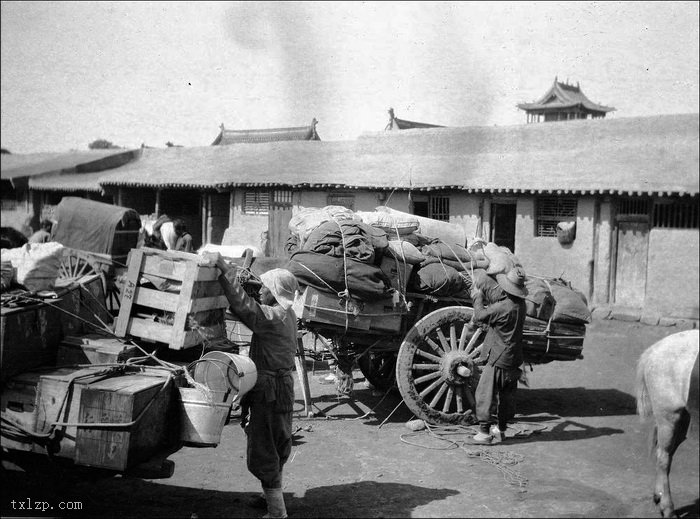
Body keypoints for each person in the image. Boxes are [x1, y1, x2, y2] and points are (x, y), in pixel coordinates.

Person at [205, 251, 299, 519]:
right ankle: (271, 495)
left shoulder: (273, 318)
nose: (261, 292)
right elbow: (250, 311)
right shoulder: (286, 315)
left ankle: (277, 512)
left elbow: (245, 306)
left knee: (264, 445)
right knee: (277, 440)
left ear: (276, 293)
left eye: (265, 289)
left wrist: (224, 271)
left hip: (269, 391)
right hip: (281, 388)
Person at [470, 266, 528, 445]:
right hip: (514, 357)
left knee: (484, 393)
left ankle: (484, 433)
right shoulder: (521, 305)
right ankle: (501, 430)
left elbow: (479, 315)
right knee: (507, 395)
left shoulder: (502, 307)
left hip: (498, 357)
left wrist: (478, 297)